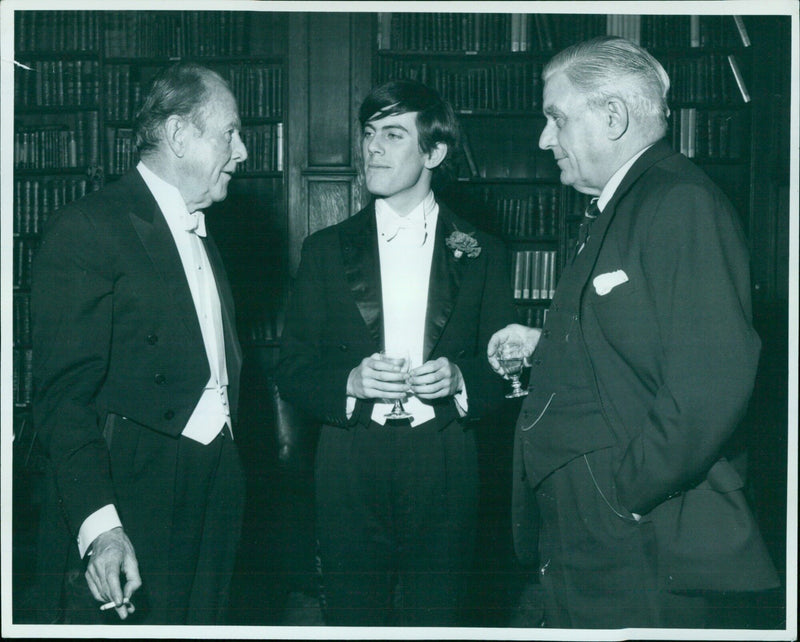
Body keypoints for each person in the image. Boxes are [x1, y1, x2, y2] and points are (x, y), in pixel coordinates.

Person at [488, 36, 779, 629]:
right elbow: (644, 338)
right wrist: (546, 342)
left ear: (613, 116)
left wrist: (622, 495)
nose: (545, 139)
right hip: (593, 532)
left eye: (556, 118)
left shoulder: (680, 201)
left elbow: (711, 383)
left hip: (634, 533)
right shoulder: (624, 203)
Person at [276, 79, 514, 626]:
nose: (372, 148)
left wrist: (461, 380)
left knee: (441, 618)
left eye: (392, 134)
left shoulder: (482, 252)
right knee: (353, 618)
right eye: (368, 134)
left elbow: (506, 370)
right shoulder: (324, 251)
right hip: (349, 458)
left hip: (447, 457)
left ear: (434, 151)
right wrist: (350, 383)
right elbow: (291, 371)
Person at [29, 62, 248, 625]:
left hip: (217, 481)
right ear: (179, 135)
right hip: (135, 488)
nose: (242, 151)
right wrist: (102, 527)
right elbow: (63, 399)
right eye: (230, 133)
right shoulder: (87, 227)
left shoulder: (204, 231)